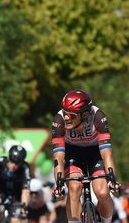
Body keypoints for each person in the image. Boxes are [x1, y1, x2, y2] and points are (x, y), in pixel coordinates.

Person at [51, 90, 121, 223]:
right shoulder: (59, 120)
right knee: (74, 187)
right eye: (65, 113)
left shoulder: (98, 117)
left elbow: (107, 154)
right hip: (73, 152)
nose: (66, 118)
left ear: (85, 114)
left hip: (95, 152)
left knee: (102, 192)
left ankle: (107, 220)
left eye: (71, 115)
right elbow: (58, 157)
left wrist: (112, 179)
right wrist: (59, 184)